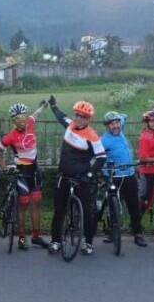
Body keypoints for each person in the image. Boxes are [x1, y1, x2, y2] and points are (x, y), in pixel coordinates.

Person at [47, 96, 106, 255]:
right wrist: (53, 106)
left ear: (88, 119)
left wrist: (88, 175)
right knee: (59, 210)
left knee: (87, 211)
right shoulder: (70, 125)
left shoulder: (92, 135)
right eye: (77, 115)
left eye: (83, 116)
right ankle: (55, 241)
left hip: (81, 180)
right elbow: (61, 116)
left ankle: (88, 243)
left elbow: (101, 157)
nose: (79, 118)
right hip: (63, 176)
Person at [0, 101, 49, 250]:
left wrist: (43, 106)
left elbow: (36, 115)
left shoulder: (30, 122)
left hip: (34, 170)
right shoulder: (11, 136)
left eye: (23, 116)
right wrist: (4, 167)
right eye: (17, 118)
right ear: (13, 120)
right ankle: (21, 239)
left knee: (36, 203)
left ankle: (36, 236)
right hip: (21, 171)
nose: (21, 120)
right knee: (23, 205)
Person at [100, 111, 147, 247]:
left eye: (117, 123)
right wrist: (105, 173)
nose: (115, 126)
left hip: (129, 175)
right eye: (112, 124)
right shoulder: (104, 140)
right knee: (112, 207)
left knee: (134, 206)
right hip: (114, 177)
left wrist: (120, 116)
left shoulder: (121, 129)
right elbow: (99, 158)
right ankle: (112, 232)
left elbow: (124, 116)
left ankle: (138, 234)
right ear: (107, 126)